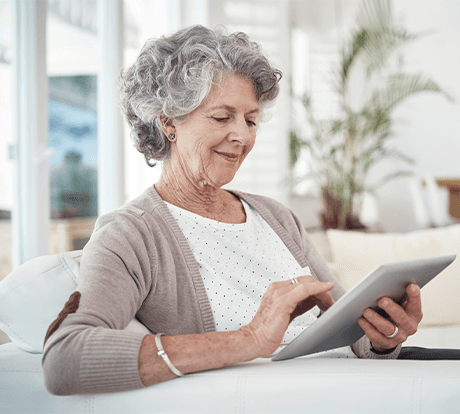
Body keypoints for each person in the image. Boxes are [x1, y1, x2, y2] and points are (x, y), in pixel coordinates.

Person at [42, 25, 422, 395]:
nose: (242, 136)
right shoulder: (131, 233)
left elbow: (353, 337)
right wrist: (249, 339)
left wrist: (384, 335)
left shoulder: (276, 217)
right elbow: (65, 358)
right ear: (168, 121)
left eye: (251, 120)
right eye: (222, 117)